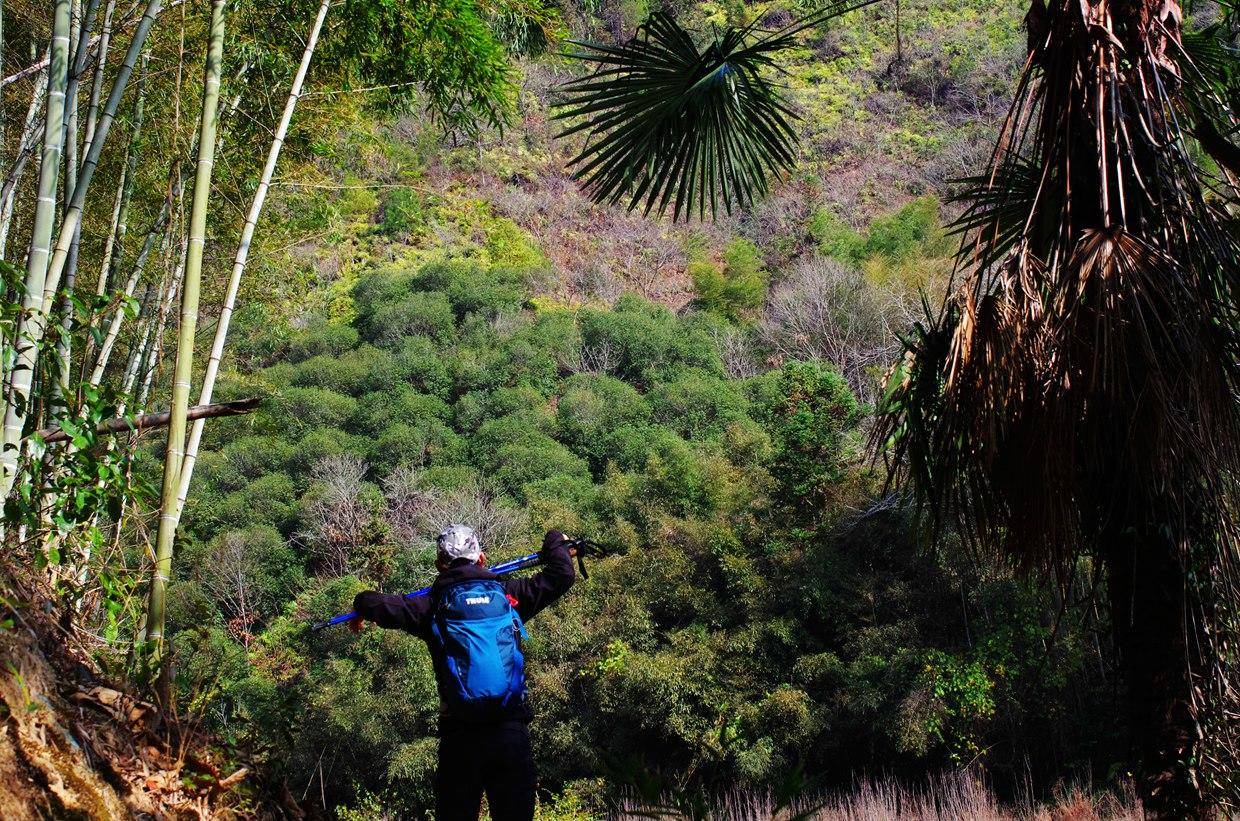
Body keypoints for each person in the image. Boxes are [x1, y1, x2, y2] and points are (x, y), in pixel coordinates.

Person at [349, 526, 576, 821]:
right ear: (481, 558)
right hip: (510, 732)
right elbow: (562, 575)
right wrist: (556, 540)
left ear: (439, 564)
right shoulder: (509, 596)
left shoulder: (429, 606)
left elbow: (375, 602)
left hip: (460, 739)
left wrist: (359, 607)